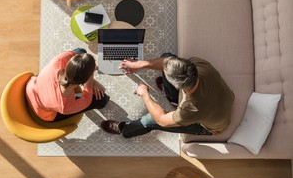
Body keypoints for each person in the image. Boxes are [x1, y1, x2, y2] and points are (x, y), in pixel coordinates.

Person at [100, 53, 235, 138]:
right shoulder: (201, 66)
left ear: (178, 86)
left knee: (150, 121)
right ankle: (173, 99)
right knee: (167, 55)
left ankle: (126, 130)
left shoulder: (190, 110)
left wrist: (144, 93)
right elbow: (167, 62)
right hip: (222, 99)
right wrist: (139, 64)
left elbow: (161, 119)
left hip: (212, 126)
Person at [26, 48, 109, 122]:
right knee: (101, 99)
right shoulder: (65, 106)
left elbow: (77, 54)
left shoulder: (58, 62)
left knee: (80, 51)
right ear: (83, 81)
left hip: (31, 88)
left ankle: (81, 71)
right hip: (45, 113)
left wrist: (91, 78)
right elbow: (87, 96)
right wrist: (91, 76)